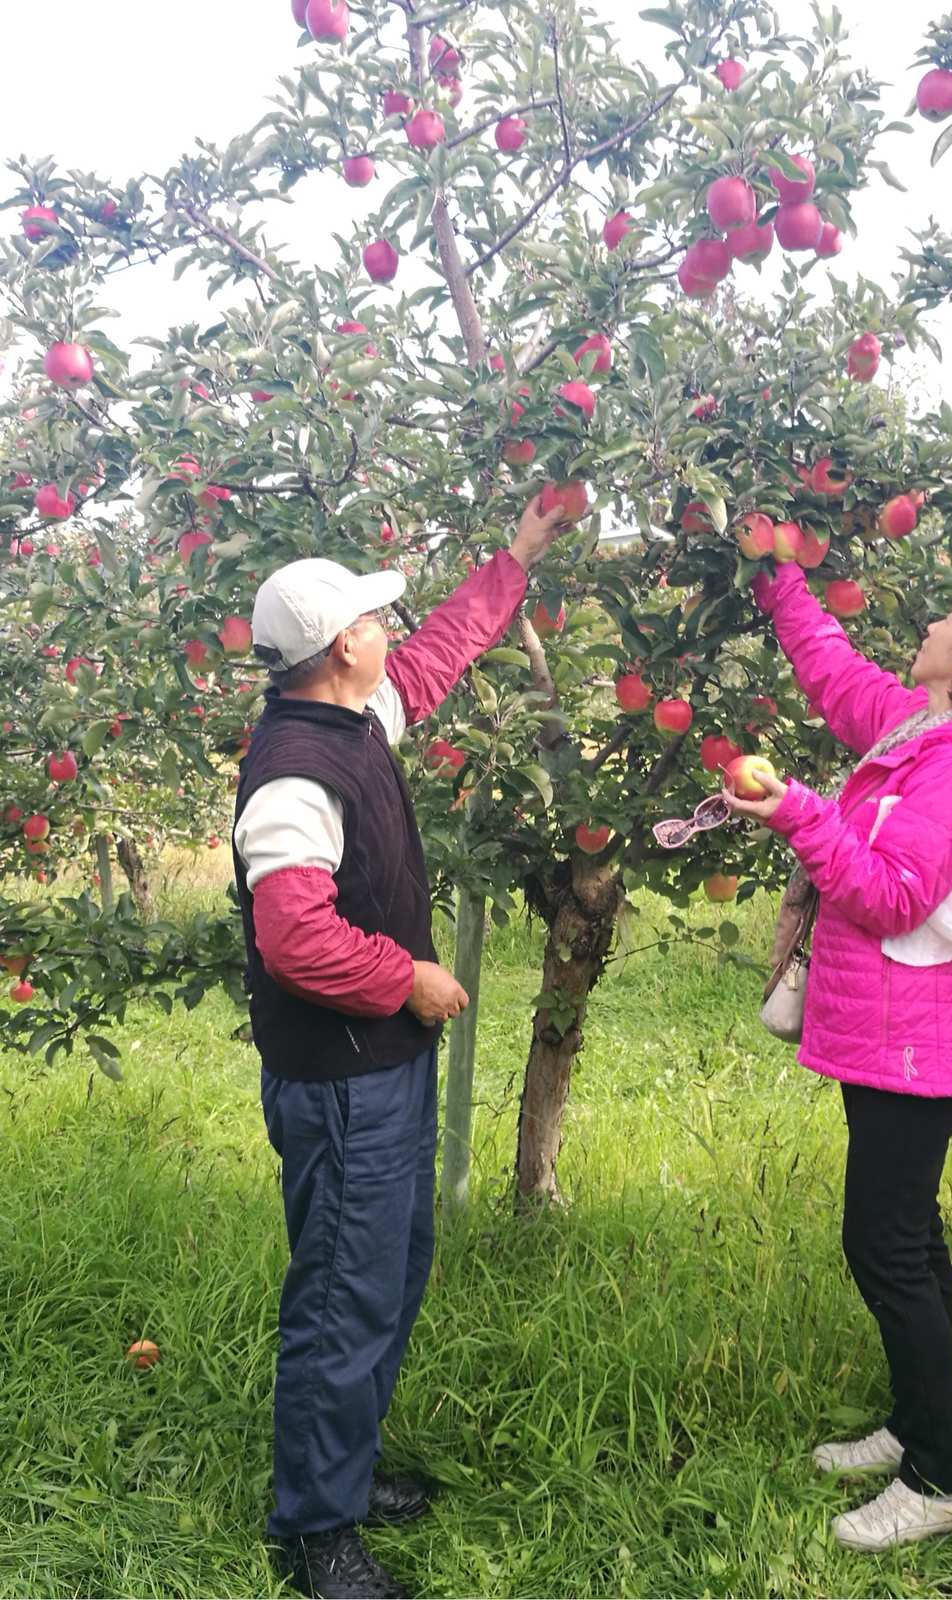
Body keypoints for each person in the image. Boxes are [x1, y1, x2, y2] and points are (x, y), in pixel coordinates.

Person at [233, 492, 570, 1600]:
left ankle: (348, 1463)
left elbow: (433, 662)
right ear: (340, 646)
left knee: (387, 1270)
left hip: (380, 1068)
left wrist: (514, 559)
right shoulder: (295, 770)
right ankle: (314, 1530)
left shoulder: (353, 714)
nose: (390, 628)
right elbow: (295, 937)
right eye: (374, 618)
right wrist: (409, 978)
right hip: (341, 1079)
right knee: (342, 1292)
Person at [722, 562, 952, 1554]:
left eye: (949, 618)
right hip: (887, 1029)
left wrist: (795, 810)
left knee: (883, 1246)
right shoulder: (922, 730)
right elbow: (836, 676)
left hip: (912, 1042)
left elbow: (887, 894)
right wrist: (779, 577)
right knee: (909, 1237)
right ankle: (915, 1427)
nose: (929, 618)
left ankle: (938, 1477)